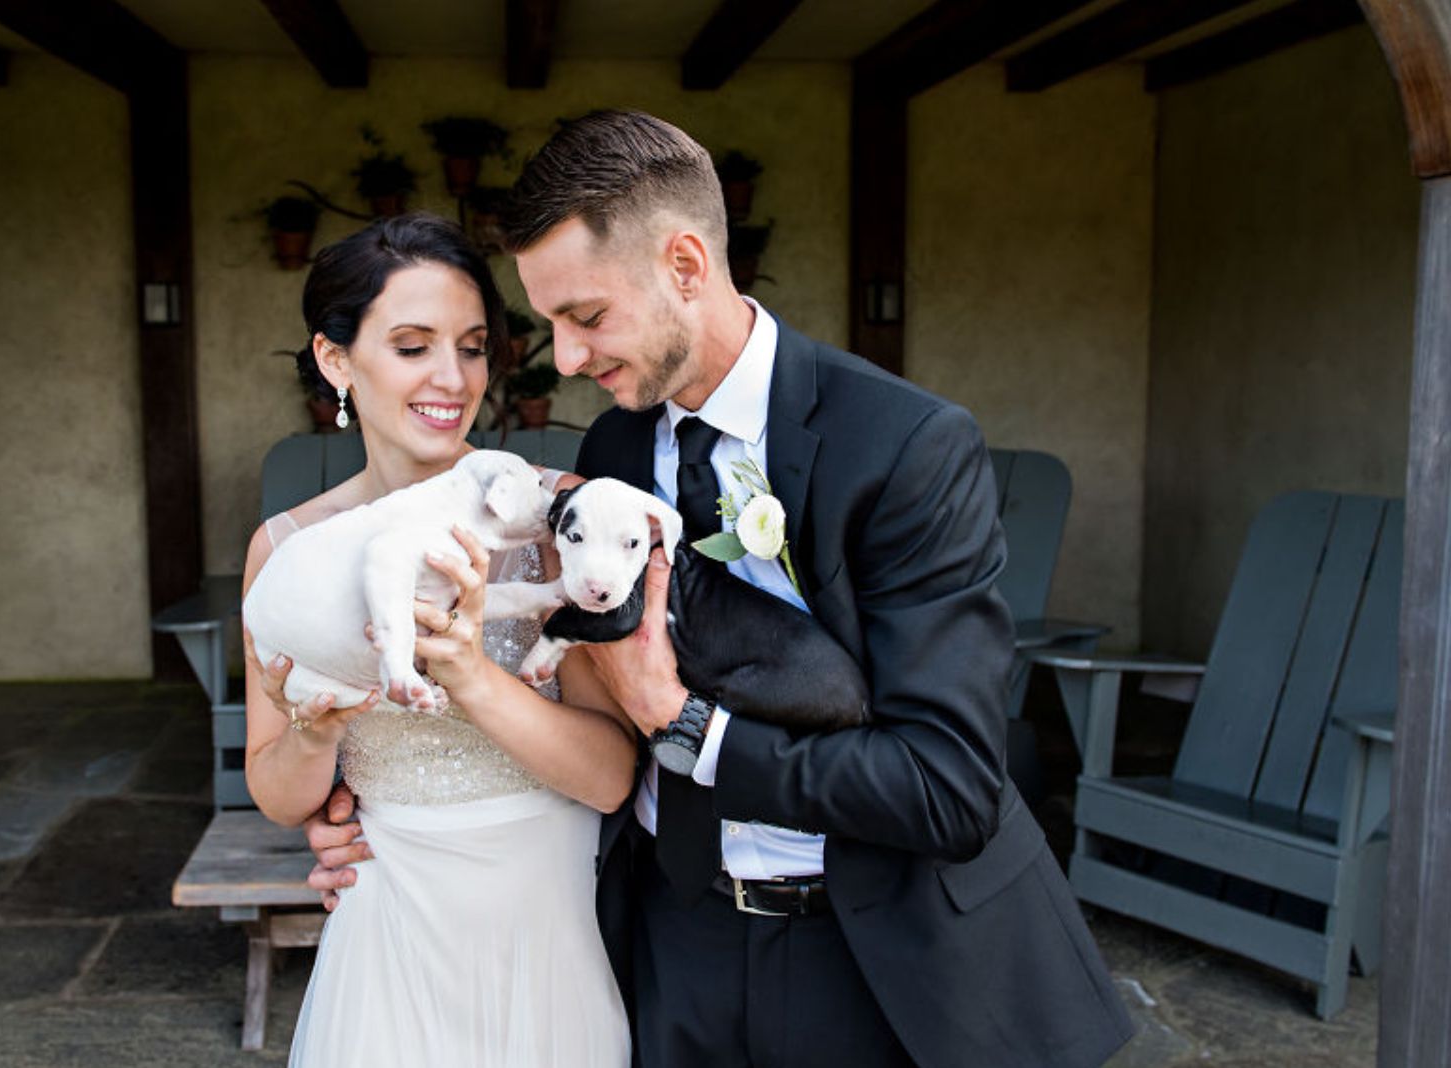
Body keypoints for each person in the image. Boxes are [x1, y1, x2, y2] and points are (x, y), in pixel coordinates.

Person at [309, 112, 1135, 1067]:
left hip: (882, 955)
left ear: (687, 267)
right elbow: (575, 703)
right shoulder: (611, 451)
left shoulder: (906, 448)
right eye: (548, 327)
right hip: (672, 938)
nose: (566, 360)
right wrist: (378, 823)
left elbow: (947, 789)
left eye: (584, 317)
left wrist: (688, 728)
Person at [245, 212, 633, 1068]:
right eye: (413, 345)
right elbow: (277, 792)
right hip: (389, 925)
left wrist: (471, 674)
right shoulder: (289, 553)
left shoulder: (557, 521)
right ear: (336, 360)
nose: (451, 378)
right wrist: (320, 728)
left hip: (547, 931)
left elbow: (611, 777)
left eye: (472, 346)